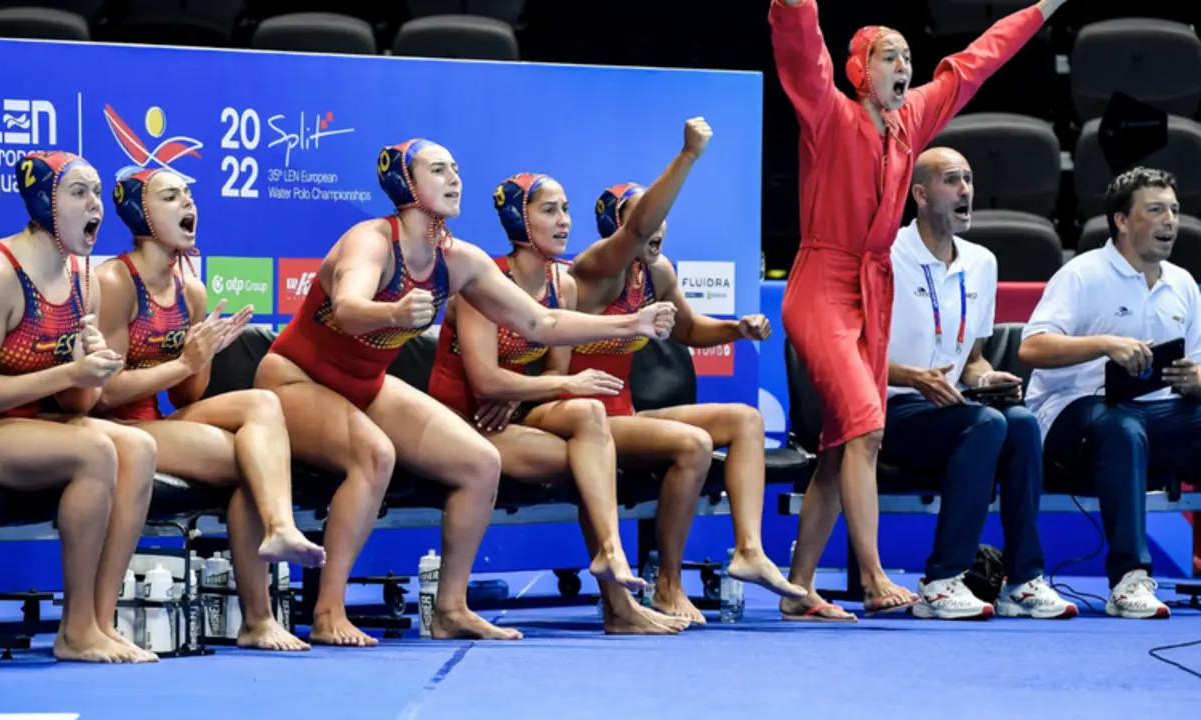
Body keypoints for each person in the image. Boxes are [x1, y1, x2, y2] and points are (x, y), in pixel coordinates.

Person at [254, 138, 678, 645]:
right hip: (297, 378)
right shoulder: (370, 241)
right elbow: (347, 306)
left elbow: (539, 321)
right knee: (375, 455)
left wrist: (637, 319)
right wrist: (392, 312)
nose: (454, 178)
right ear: (404, 183)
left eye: (456, 168)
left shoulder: (458, 260)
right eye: (438, 170)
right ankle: (328, 612)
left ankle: (451, 609)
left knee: (480, 464)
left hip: (365, 386)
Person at [768, 0, 1066, 617]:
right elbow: (801, 50)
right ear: (860, 70)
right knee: (868, 427)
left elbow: (972, 65)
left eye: (908, 56)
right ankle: (875, 577)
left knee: (838, 445)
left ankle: (799, 591)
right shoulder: (829, 115)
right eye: (890, 56)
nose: (905, 65)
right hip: (822, 282)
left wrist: (1038, 10)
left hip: (871, 286)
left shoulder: (910, 124)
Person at [564, 121, 808, 627]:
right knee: (694, 444)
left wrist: (736, 329)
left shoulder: (656, 271)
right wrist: (689, 155)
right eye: (650, 214)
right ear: (618, 224)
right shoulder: (594, 267)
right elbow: (636, 229)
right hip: (583, 417)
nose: (660, 226)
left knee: (744, 420)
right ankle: (669, 583)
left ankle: (748, 549)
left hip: (623, 412)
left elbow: (690, 329)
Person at [427, 172, 691, 635]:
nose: (564, 221)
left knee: (591, 425)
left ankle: (613, 566)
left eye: (566, 209)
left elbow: (553, 373)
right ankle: (617, 600)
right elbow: (486, 380)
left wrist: (525, 392)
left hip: (505, 420)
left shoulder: (561, 284)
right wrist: (532, 389)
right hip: (457, 425)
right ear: (517, 218)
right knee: (591, 451)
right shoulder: (482, 282)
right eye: (549, 210)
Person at [0, 151, 160, 663]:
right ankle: (74, 631)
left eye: (96, 191)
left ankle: (99, 619)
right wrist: (68, 372)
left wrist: (89, 367)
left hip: (10, 425)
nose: (95, 203)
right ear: (42, 201)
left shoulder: (84, 279)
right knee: (94, 450)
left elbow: (77, 401)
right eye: (78, 192)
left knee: (137, 447)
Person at [92, 168, 327, 651]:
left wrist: (203, 357)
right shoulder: (115, 281)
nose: (188, 204)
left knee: (262, 405)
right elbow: (104, 393)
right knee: (252, 463)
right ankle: (258, 613)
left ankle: (267, 584)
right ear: (140, 213)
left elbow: (185, 397)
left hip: (157, 422)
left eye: (190, 194)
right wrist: (185, 360)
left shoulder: (190, 291)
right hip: (109, 429)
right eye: (171, 196)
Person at [849, 147, 1076, 622]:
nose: (966, 190)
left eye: (969, 179)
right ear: (920, 194)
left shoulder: (983, 263)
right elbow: (849, 352)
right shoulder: (885, 256)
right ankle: (943, 580)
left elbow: (970, 359)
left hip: (953, 408)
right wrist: (912, 377)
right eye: (952, 180)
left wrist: (986, 376)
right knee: (989, 424)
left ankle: (1024, 579)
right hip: (888, 407)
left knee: (1020, 423)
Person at [1019, 166, 1188, 619]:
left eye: (1174, 209)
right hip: (1070, 416)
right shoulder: (1082, 274)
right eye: (1155, 210)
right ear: (1122, 221)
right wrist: (1104, 345)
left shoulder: (1183, 285)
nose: (1170, 220)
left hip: (1156, 415)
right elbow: (1031, 347)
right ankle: (1129, 580)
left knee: (1143, 423)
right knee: (1123, 426)